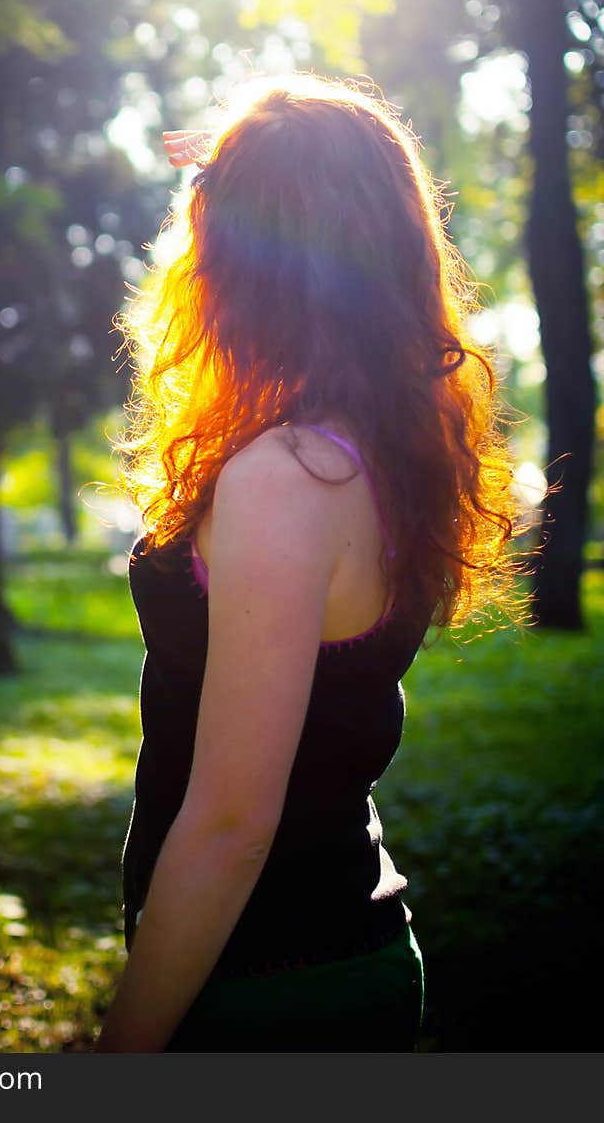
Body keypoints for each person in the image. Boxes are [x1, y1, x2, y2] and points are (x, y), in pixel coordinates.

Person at [93, 73, 529, 1053]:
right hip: (336, 957)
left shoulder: (288, 474)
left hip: (265, 984)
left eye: (213, 223)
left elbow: (233, 819)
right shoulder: (365, 449)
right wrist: (271, 148)